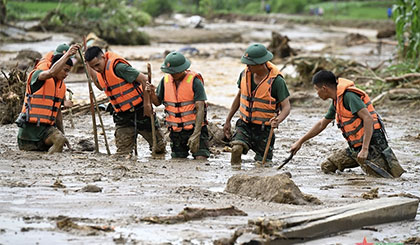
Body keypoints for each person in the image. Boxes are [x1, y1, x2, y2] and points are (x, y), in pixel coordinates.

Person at [290, 70, 405, 178]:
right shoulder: (336, 101)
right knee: (327, 166)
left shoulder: (349, 96)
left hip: (372, 147)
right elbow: (321, 124)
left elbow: (368, 118)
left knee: (384, 178)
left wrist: (365, 149)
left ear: (324, 88)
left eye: (316, 89)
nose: (317, 93)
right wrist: (300, 142)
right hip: (355, 149)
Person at [84, 46, 166, 156]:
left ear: (103, 57)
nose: (96, 69)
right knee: (123, 153)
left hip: (141, 111)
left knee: (159, 148)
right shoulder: (99, 71)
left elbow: (144, 79)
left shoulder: (118, 67)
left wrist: (147, 104)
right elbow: (99, 85)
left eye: (97, 65)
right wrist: (89, 69)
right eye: (93, 67)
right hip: (122, 116)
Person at [223, 43, 291, 167]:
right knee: (236, 148)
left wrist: (278, 120)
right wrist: (228, 120)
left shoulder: (277, 81)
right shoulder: (244, 74)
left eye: (250, 64)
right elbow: (239, 97)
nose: (247, 67)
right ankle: (235, 175)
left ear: (261, 63)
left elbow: (286, 107)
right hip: (244, 125)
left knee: (263, 165)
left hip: (264, 130)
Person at [16, 44, 80, 154]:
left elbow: (58, 116)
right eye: (64, 70)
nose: (66, 74)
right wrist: (68, 54)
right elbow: (51, 72)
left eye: (68, 71)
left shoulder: (61, 87)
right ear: (56, 66)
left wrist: (62, 135)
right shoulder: (38, 75)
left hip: (46, 132)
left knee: (59, 140)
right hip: (28, 135)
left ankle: (51, 162)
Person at [146, 52, 210, 160]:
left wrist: (196, 134)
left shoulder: (195, 81)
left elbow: (200, 109)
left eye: (174, 72)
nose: (172, 75)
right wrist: (152, 93)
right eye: (170, 72)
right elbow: (157, 102)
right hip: (176, 132)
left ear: (182, 70)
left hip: (195, 128)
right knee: (178, 161)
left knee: (201, 159)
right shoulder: (165, 81)